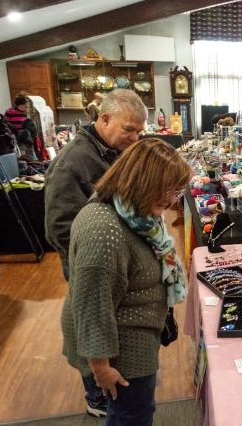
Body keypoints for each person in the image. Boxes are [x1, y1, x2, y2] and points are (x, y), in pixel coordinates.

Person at [61, 138, 191, 424]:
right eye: (166, 189)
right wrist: (101, 369)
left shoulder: (135, 213)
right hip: (121, 350)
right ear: (141, 180)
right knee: (132, 415)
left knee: (135, 411)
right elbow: (92, 307)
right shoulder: (105, 228)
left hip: (134, 338)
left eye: (178, 190)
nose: (171, 198)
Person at [45, 89, 148, 285]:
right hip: (94, 263)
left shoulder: (114, 149)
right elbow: (59, 229)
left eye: (139, 132)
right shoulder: (69, 164)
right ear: (106, 119)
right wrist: (95, 260)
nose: (135, 138)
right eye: (128, 129)